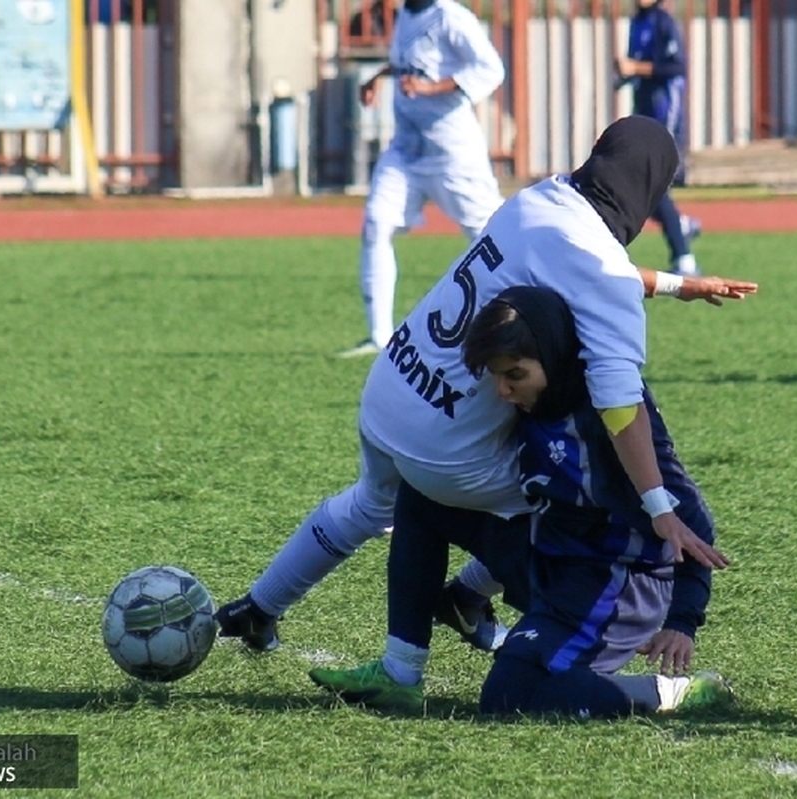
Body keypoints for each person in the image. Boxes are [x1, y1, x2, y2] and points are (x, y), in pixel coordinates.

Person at [216, 116, 757, 656]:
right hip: (447, 448)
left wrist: (675, 285)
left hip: (389, 385)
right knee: (587, 496)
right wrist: (659, 505)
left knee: (368, 505)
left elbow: (581, 265)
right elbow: (619, 403)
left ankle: (259, 607)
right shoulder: (600, 268)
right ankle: (477, 597)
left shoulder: (539, 200)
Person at [310, 287, 732, 715]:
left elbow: (691, 518)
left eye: (515, 375)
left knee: (509, 697)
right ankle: (401, 672)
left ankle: (670, 693)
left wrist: (682, 621)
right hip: (545, 557)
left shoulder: (610, 416)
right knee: (422, 495)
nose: (504, 391)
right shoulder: (538, 397)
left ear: (551, 354)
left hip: (609, 585)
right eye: (497, 376)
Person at [339, 0, 507, 358]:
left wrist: (431, 89)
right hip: (406, 149)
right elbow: (410, 63)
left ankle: (528, 316)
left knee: (493, 238)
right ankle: (379, 337)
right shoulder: (406, 14)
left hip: (452, 150)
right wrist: (379, 77)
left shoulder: (451, 17)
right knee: (376, 224)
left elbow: (491, 69)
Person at [616, 0, 699, 276]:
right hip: (644, 109)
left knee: (650, 182)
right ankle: (679, 225)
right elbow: (638, 65)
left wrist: (636, 68)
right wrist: (625, 74)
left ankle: (685, 258)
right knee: (638, 184)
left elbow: (675, 67)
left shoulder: (663, 22)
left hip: (665, 113)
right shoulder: (637, 22)